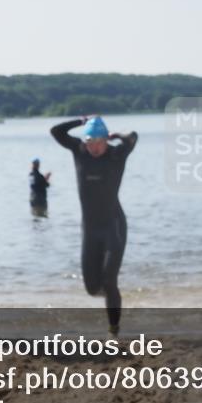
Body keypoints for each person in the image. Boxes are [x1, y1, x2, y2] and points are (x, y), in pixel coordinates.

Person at [51, 116, 137, 334]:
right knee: (91, 288)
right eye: (91, 142)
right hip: (90, 229)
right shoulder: (78, 150)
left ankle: (114, 330)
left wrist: (119, 135)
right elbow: (56, 131)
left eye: (99, 142)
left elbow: (133, 138)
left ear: (106, 141)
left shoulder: (117, 154)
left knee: (109, 280)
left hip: (113, 226)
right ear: (86, 141)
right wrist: (80, 121)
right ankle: (111, 297)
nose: (95, 148)